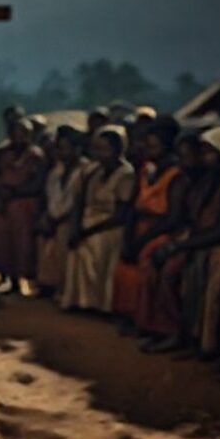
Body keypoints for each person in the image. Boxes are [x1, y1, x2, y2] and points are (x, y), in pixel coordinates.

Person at [150, 127, 220, 357]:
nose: (203, 157)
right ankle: (180, 334)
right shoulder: (206, 179)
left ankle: (201, 342)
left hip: (217, 246)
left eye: (209, 151)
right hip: (198, 241)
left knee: (203, 288)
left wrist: (181, 245)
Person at [112, 116, 188, 334]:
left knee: (147, 261)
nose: (146, 148)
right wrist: (129, 237)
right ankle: (131, 316)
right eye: (146, 143)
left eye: (152, 144)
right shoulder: (146, 170)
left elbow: (172, 218)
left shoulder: (177, 175)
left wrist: (142, 240)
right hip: (140, 228)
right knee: (124, 265)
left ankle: (153, 324)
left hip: (162, 231)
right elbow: (132, 207)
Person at [61, 125, 135, 312]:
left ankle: (97, 303)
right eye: (97, 149)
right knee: (75, 243)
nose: (99, 154)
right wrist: (77, 226)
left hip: (109, 226)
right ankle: (79, 300)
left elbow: (121, 215)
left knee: (94, 244)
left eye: (104, 149)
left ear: (118, 150)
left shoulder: (126, 174)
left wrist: (88, 230)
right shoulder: (93, 171)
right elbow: (80, 200)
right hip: (89, 221)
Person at [0, 117, 47, 295]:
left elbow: (39, 183)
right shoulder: (1, 153)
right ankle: (10, 280)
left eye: (24, 133)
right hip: (3, 206)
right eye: (16, 133)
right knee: (5, 245)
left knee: (25, 245)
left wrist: (16, 191)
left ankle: (27, 282)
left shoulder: (36, 156)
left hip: (26, 205)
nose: (20, 137)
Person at [36, 125, 89, 297]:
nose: (60, 152)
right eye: (58, 148)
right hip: (55, 217)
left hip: (73, 220)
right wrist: (48, 216)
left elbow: (81, 202)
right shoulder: (55, 171)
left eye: (64, 148)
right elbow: (50, 197)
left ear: (77, 149)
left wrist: (61, 218)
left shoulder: (86, 171)